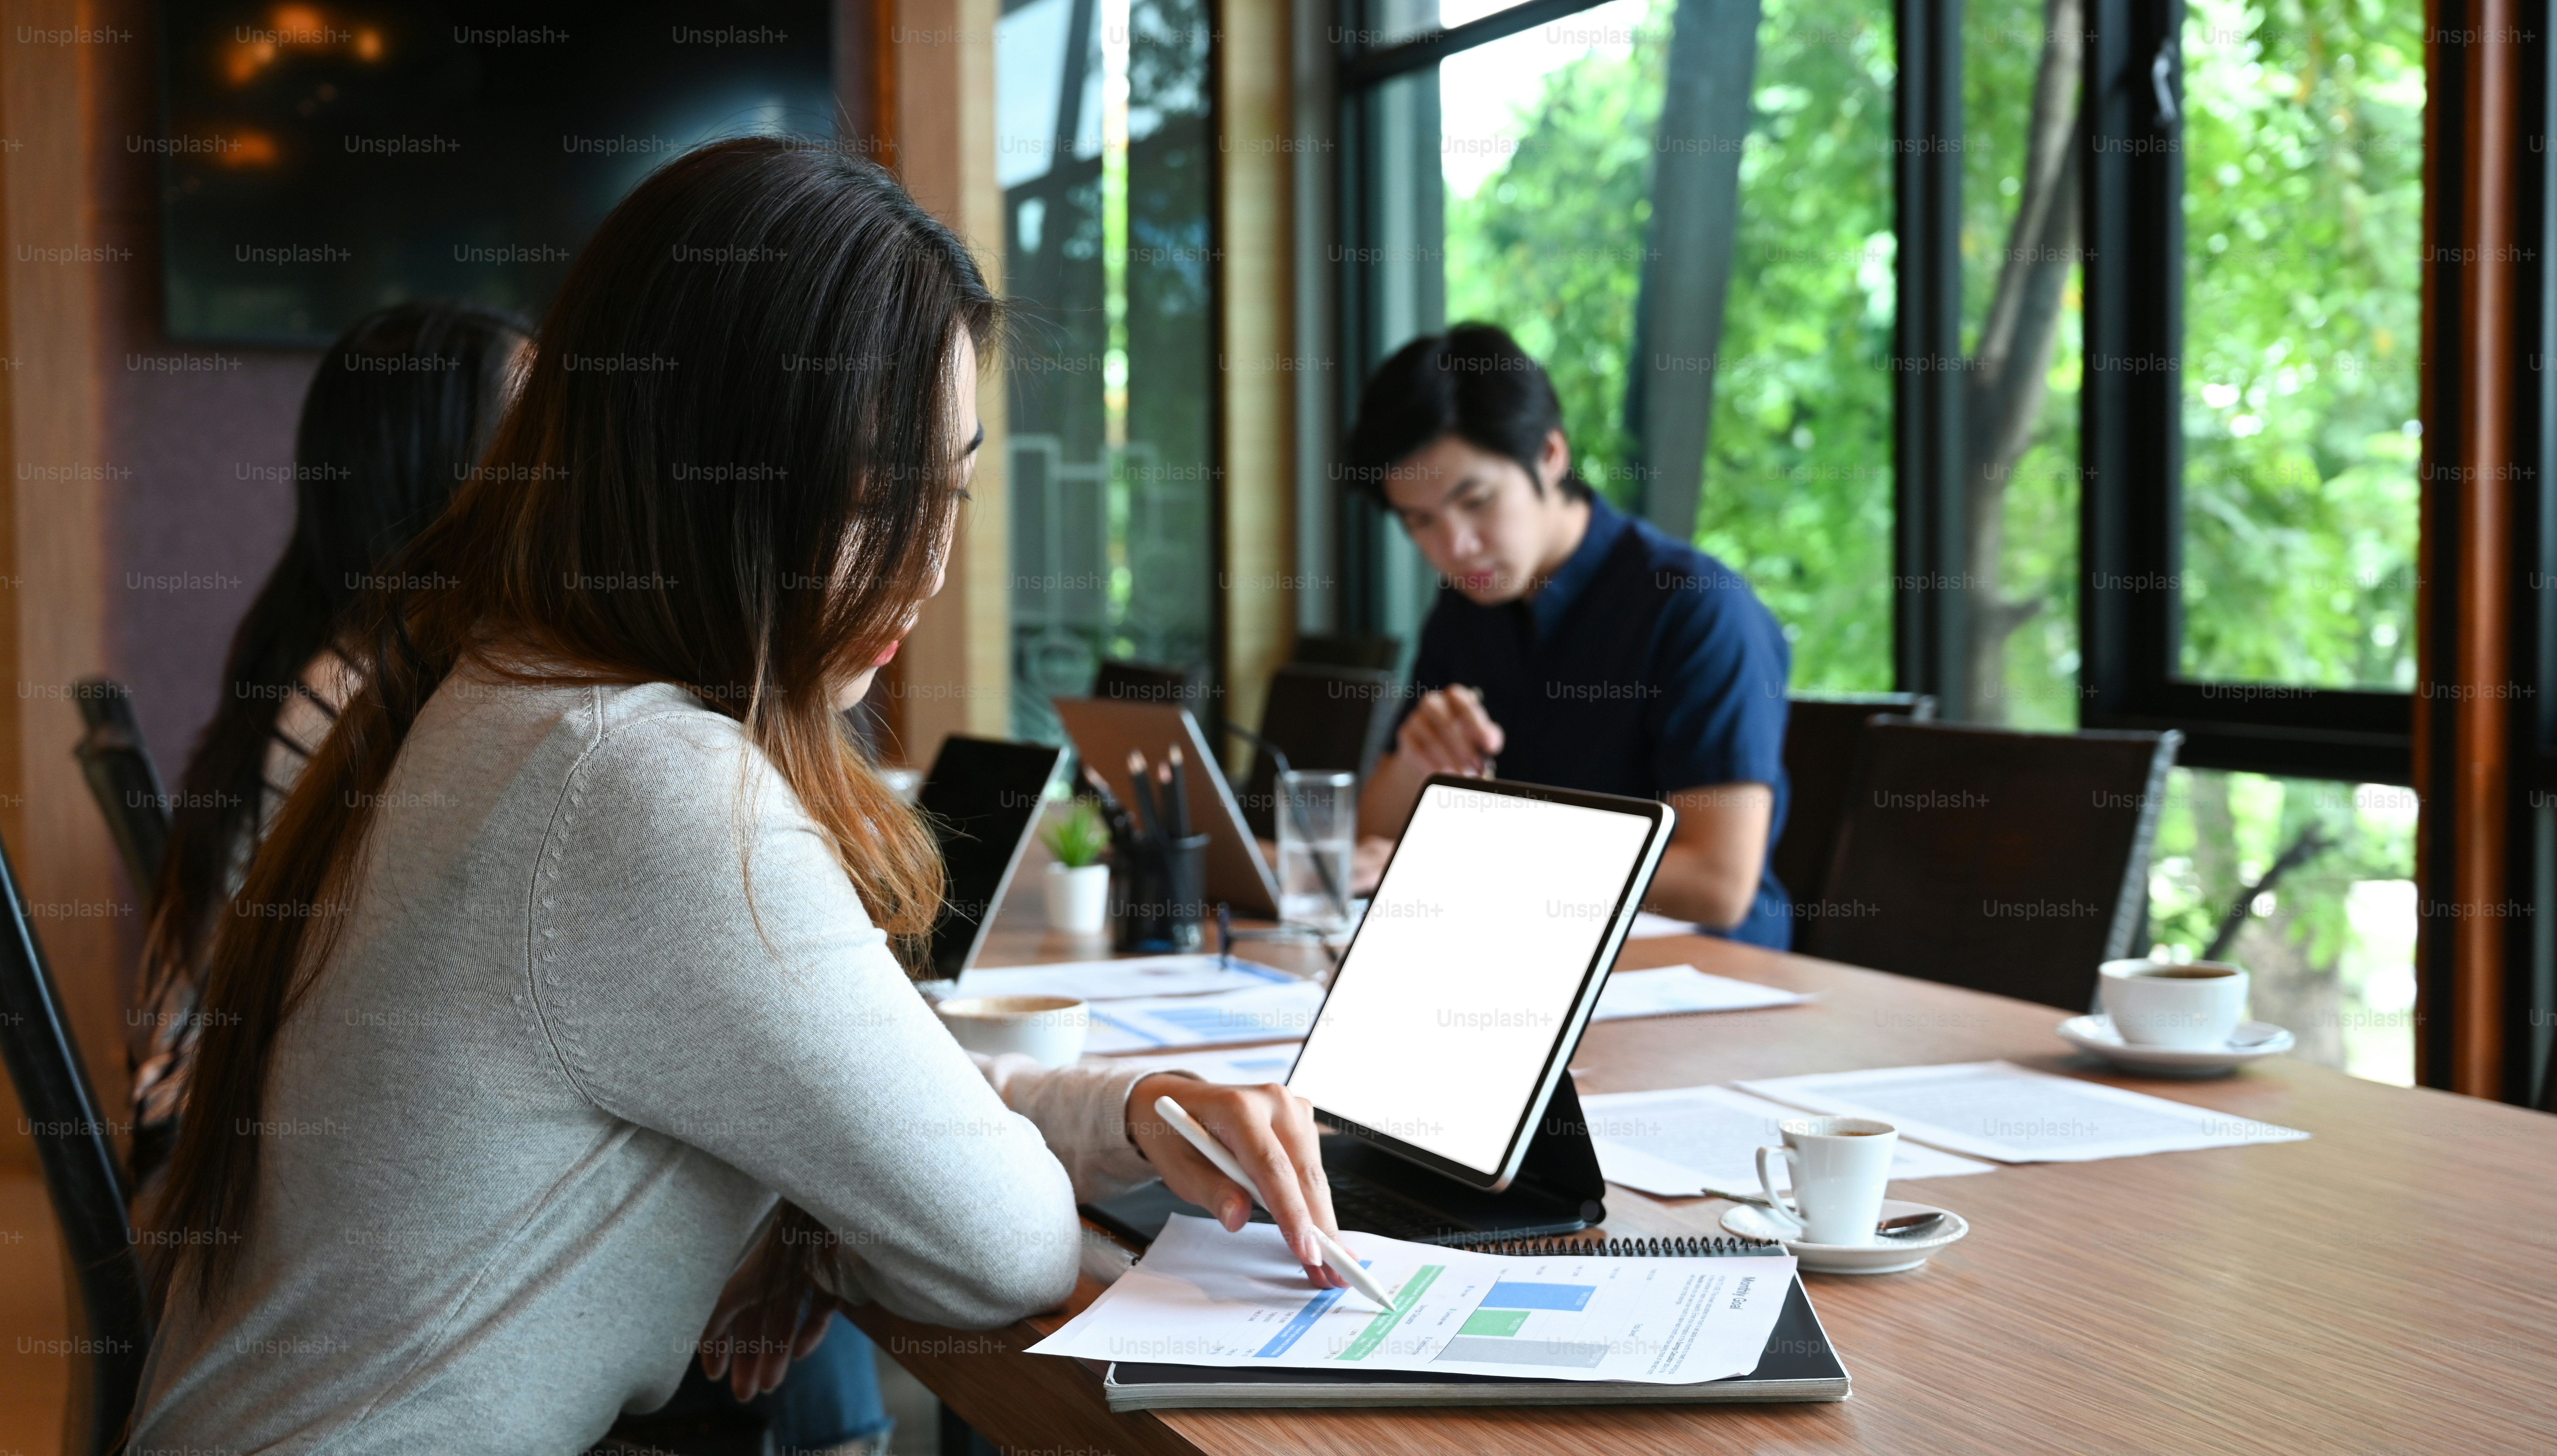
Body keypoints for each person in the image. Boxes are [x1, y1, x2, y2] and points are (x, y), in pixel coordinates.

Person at [129, 138, 1346, 1455]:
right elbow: (1007, 1246)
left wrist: (1115, 1114)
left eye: (951, 492)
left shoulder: (495, 684)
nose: (927, 567)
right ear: (706, 473)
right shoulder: (647, 783)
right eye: (881, 495)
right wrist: (826, 1205)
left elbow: (866, 1094)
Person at [131, 299, 533, 1184]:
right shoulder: (367, 696)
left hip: (222, 1121)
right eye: (530, 431)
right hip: (217, 1168)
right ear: (450, 472)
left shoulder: (343, 646)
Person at [1346, 324, 1795, 947]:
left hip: (1698, 987)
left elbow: (1718, 884)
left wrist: (1474, 868)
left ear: (1550, 456)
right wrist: (1415, 765)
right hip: (1530, 957)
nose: (1455, 547)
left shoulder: (1696, 609)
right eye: (1420, 522)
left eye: (1476, 501)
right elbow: (1375, 841)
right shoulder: (1468, 606)